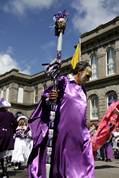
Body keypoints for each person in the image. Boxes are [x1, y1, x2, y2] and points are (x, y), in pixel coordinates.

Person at [28, 61, 94, 178]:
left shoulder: (83, 90)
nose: (88, 79)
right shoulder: (64, 82)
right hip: (63, 130)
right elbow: (48, 97)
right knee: (63, 163)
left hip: (80, 132)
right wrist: (50, 98)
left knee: (85, 160)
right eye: (87, 75)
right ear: (79, 71)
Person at [0, 98, 17, 178]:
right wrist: (11, 130)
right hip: (7, 136)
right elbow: (15, 124)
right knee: (4, 155)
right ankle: (5, 173)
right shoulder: (10, 114)